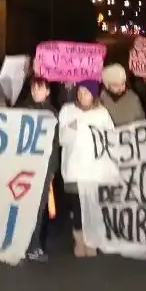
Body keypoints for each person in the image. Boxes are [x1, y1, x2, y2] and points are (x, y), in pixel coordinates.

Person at [58, 80, 114, 257]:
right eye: (80, 92)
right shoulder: (67, 110)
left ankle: (92, 241)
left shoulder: (102, 113)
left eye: (86, 92)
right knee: (77, 207)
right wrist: (74, 127)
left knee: (93, 207)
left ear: (94, 95)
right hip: (74, 169)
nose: (82, 95)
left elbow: (110, 138)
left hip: (94, 170)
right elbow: (61, 138)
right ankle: (79, 239)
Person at [18, 76, 59, 262]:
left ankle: (33, 245)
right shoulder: (20, 110)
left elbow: (56, 145)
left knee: (39, 209)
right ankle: (20, 245)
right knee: (22, 208)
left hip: (43, 170)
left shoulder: (53, 113)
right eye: (34, 88)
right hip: (24, 168)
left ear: (48, 91)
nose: (36, 92)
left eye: (40, 88)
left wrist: (51, 170)